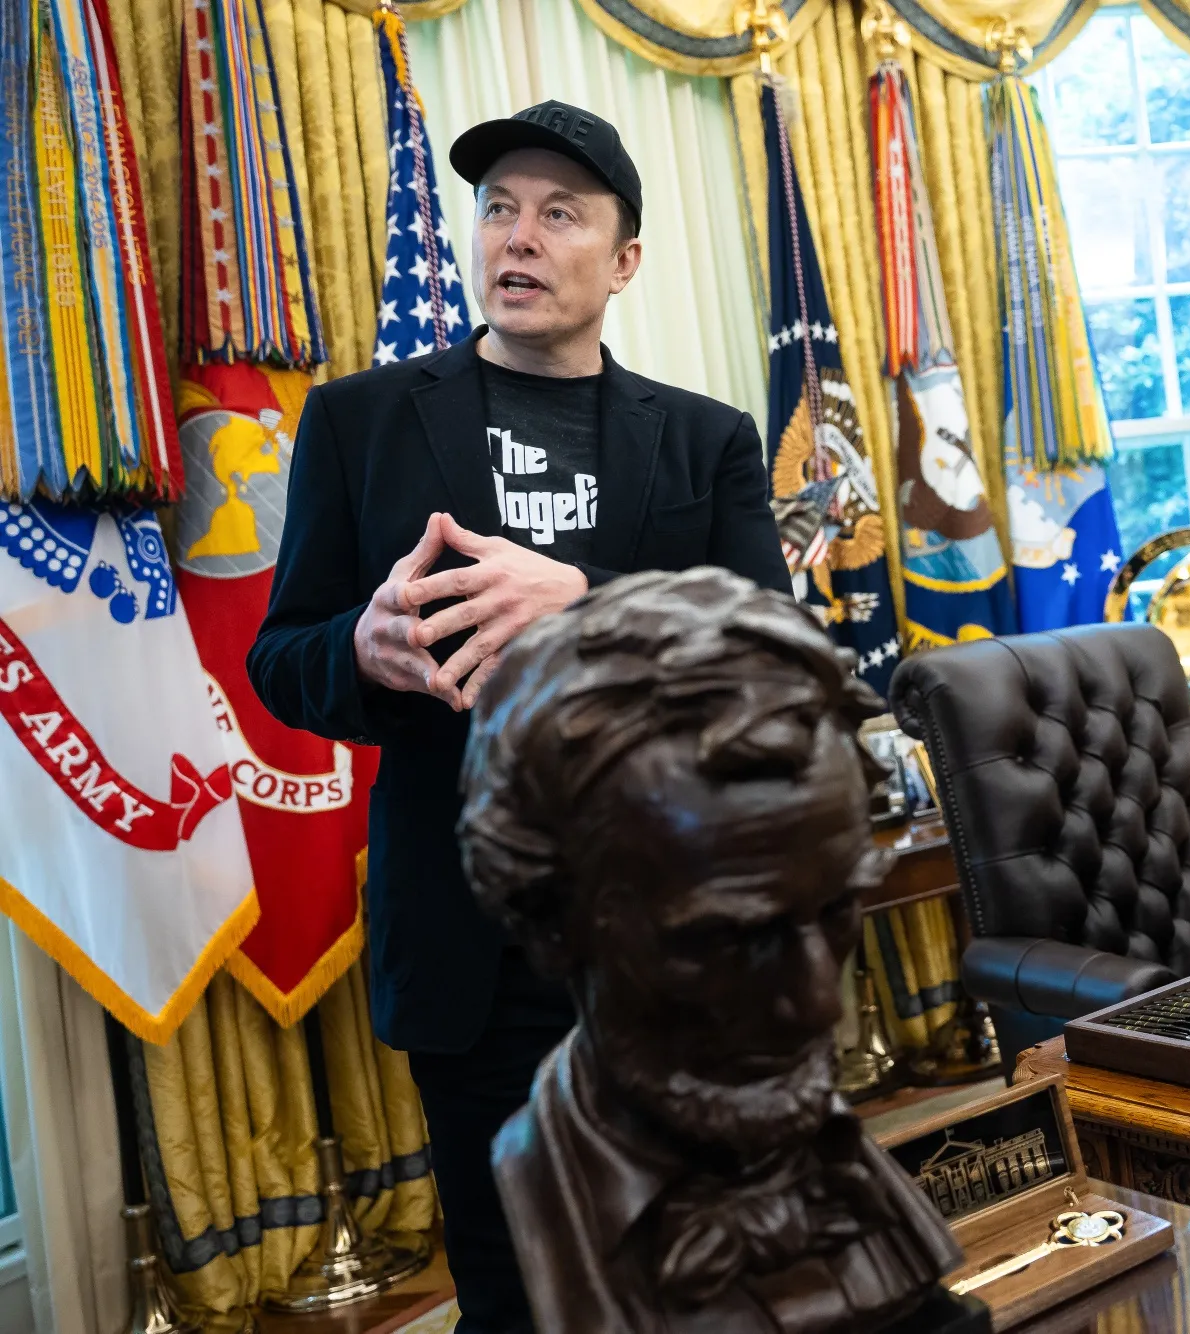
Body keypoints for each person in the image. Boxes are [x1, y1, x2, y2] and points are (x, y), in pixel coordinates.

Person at [247, 100, 790, 1334]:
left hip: (675, 941)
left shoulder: (705, 439)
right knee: (513, 1287)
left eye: (559, 213)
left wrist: (585, 597)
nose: (518, 237)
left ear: (624, 258)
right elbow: (283, 660)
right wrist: (365, 650)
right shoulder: (360, 419)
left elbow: (774, 659)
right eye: (497, 208)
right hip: (474, 950)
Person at [461, 569, 963, 1333]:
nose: (819, 1001)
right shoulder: (541, 1185)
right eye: (727, 941)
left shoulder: (836, 1165)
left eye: (834, 913)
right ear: (553, 923)